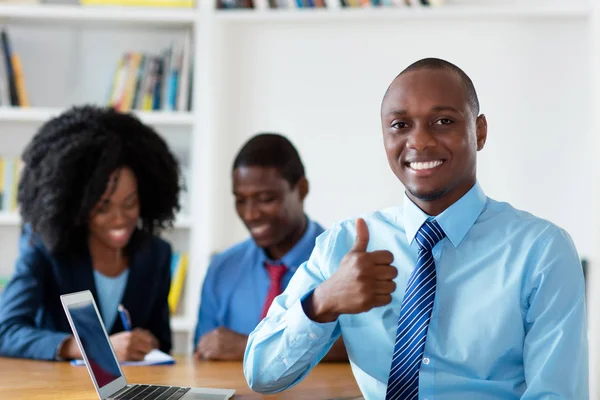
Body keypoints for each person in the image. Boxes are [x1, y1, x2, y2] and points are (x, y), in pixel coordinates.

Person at [243, 58, 588, 399]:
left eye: (443, 121)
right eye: (400, 125)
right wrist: (323, 302)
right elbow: (261, 374)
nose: (419, 141)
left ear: (479, 131)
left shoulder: (543, 250)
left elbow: (556, 394)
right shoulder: (346, 244)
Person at [0, 105, 182, 361]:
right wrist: (86, 346)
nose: (120, 219)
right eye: (103, 207)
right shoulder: (45, 246)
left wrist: (146, 341)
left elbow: (162, 340)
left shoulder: (155, 254)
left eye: (129, 203)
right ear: (78, 206)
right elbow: (6, 331)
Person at [193, 133, 347, 362]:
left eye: (265, 199)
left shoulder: (345, 262)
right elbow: (204, 352)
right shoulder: (222, 268)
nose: (250, 214)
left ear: (302, 189)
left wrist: (250, 348)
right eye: (240, 200)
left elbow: (369, 348)